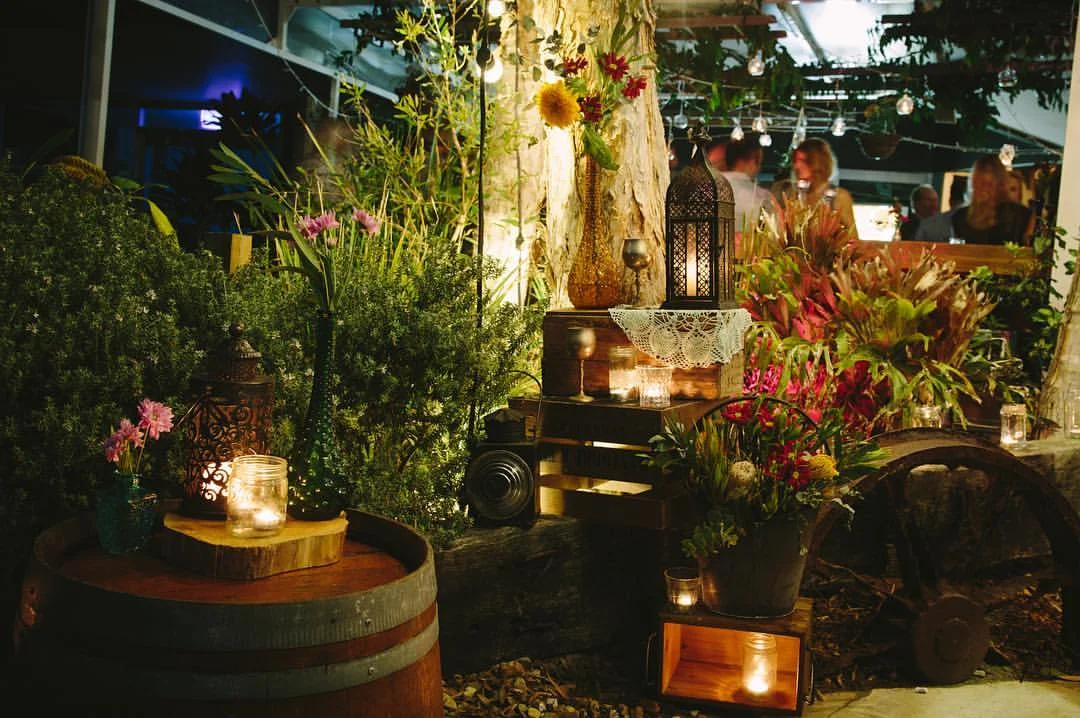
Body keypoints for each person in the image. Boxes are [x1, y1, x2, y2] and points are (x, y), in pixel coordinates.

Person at [932, 155, 1034, 246]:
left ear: (1001, 186)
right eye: (981, 184)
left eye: (989, 185)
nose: (985, 191)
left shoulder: (1020, 216)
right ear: (973, 184)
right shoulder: (959, 218)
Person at [771, 137, 858, 239]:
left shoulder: (839, 197)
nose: (796, 166)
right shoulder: (790, 193)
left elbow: (853, 238)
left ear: (818, 162)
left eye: (802, 160)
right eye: (795, 161)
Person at [711, 137, 778, 256]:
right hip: (747, 266)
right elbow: (774, 237)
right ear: (754, 159)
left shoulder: (705, 190)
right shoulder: (763, 197)